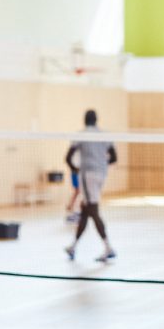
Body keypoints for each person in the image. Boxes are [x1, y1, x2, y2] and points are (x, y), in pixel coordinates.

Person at [64, 109, 117, 263]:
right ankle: (73, 246)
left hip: (87, 175)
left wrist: (75, 169)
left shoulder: (81, 135)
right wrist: (101, 164)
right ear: (96, 120)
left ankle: (108, 247)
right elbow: (114, 157)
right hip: (102, 175)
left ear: (84, 120)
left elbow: (68, 157)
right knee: (85, 209)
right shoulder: (104, 135)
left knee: (92, 209)